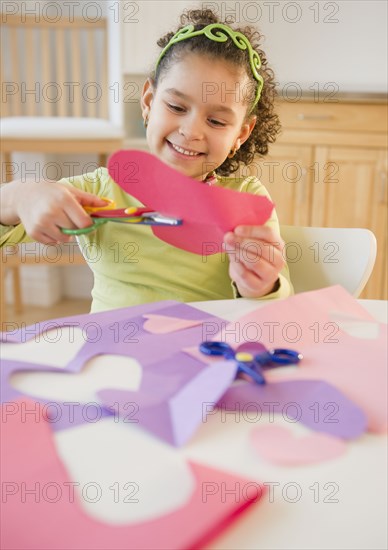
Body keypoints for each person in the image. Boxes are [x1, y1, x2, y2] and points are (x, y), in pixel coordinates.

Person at [0, 8, 293, 312]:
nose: (191, 131)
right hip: (110, 352)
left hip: (203, 353)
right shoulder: (97, 190)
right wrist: (21, 195)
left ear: (241, 135)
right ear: (149, 103)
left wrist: (261, 287)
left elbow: (277, 306)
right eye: (177, 107)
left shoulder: (246, 200)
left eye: (217, 122)